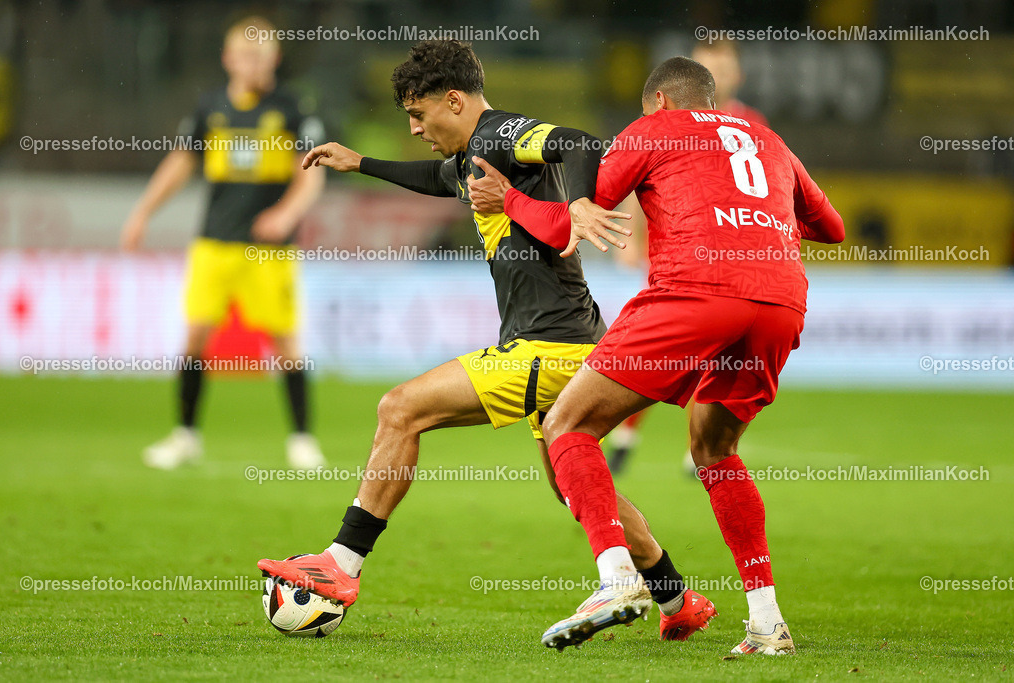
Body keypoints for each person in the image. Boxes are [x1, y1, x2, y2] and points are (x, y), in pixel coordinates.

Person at [257, 40, 716, 648]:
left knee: (400, 408)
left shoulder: (500, 134)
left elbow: (578, 143)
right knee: (572, 484)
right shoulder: (475, 152)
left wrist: (578, 202)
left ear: (455, 100)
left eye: (420, 116)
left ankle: (341, 563)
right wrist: (361, 162)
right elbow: (436, 178)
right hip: (572, 341)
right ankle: (678, 600)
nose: (416, 129)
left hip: (547, 347)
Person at [467, 56, 844, 653]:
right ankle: (767, 622)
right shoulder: (769, 140)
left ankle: (617, 578)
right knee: (716, 450)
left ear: (660, 102)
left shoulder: (651, 129)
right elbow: (832, 227)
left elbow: (581, 219)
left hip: (697, 291)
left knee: (567, 423)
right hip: (780, 302)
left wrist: (509, 200)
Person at [120, 16, 327, 470]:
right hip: (213, 243)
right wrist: (142, 213)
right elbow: (180, 164)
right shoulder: (210, 107)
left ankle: (302, 440)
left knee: (285, 341)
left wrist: (286, 213)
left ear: (274, 58)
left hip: (268, 249)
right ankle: (185, 435)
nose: (254, 64)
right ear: (228, 58)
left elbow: (311, 174)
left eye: (263, 55)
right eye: (245, 55)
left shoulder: (293, 108)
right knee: (195, 338)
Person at [607, 38, 768, 476]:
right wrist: (633, 239)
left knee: (718, 355)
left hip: (736, 265)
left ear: (738, 76)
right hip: (677, 256)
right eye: (708, 67)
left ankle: (694, 446)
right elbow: (643, 180)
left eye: (724, 67)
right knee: (669, 351)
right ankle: (628, 430)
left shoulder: (753, 124)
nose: (718, 74)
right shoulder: (671, 121)